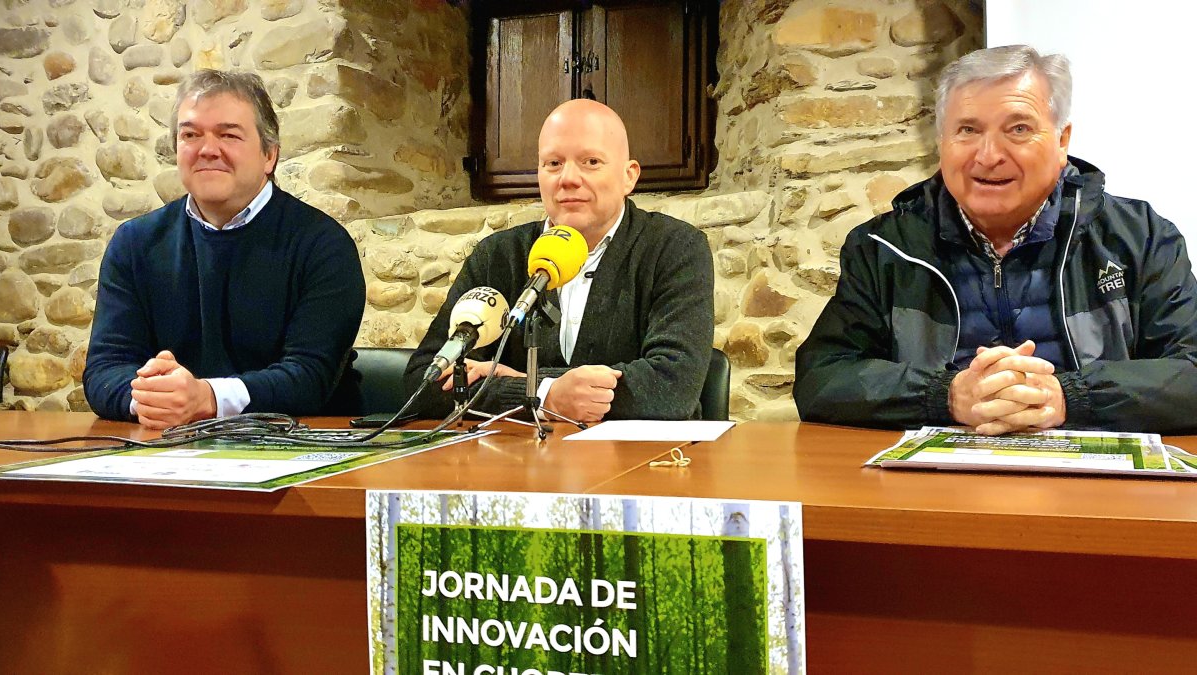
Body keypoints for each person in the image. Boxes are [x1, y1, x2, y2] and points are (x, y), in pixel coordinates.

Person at [793, 45, 1197, 435]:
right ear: (941, 143)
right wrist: (947, 395)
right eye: (967, 130)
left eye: (1018, 129)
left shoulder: (1140, 236)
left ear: (1062, 141)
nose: (988, 156)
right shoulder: (885, 246)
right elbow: (822, 379)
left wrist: (1066, 398)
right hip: (934, 488)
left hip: (1097, 493)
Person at [84, 69, 365, 429]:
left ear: (269, 156)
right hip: (166, 452)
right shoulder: (134, 243)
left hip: (299, 448)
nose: (207, 149)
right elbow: (105, 369)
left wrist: (207, 398)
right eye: (190, 135)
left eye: (228, 135)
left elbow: (309, 376)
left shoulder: (323, 245)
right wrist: (151, 399)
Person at [406, 99, 714, 422]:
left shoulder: (676, 249)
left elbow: (672, 388)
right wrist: (548, 395)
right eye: (553, 163)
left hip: (642, 464)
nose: (567, 178)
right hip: (517, 465)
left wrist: (528, 384)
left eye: (591, 162)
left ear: (629, 176)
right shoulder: (495, 257)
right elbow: (423, 382)